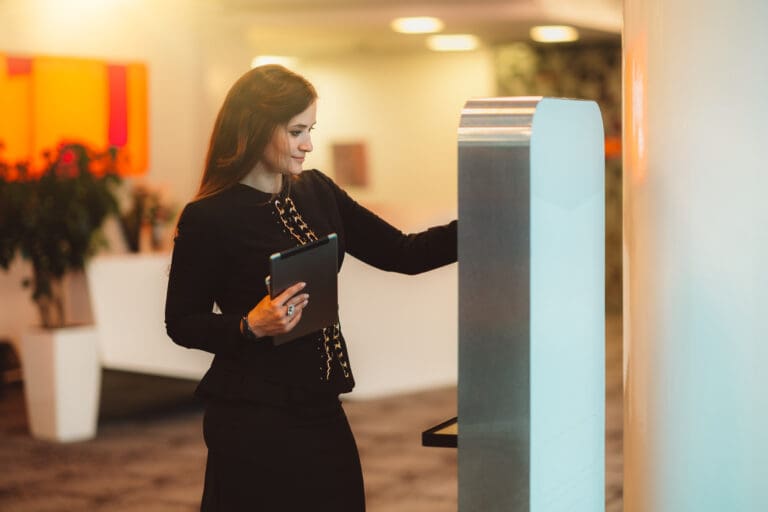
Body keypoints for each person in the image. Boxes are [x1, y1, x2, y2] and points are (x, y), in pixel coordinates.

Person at [164, 64, 457, 511]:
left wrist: (485, 224)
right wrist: (248, 326)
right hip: (253, 414)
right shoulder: (208, 217)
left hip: (320, 404)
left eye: (311, 129)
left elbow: (403, 253)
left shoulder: (317, 190)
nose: (309, 144)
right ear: (255, 127)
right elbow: (181, 321)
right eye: (297, 130)